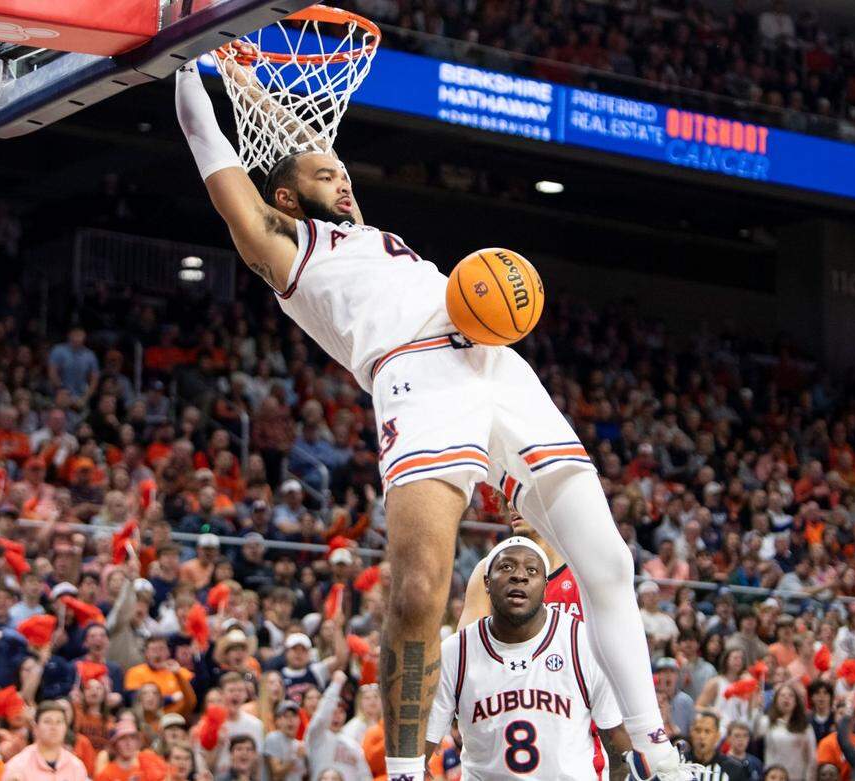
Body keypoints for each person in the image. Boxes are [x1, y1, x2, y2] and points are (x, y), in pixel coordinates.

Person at [176, 61, 681, 781]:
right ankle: (408, 770)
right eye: (327, 176)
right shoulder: (285, 247)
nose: (344, 179)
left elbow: (300, 142)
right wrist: (186, 68)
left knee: (609, 560)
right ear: (285, 195)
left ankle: (659, 755)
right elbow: (214, 150)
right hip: (418, 377)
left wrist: (241, 75)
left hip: (496, 359)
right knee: (419, 591)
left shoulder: (360, 227)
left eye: (343, 169)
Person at [425, 537, 633, 778]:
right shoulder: (455, 651)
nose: (519, 576)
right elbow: (421, 749)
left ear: (545, 585)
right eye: (506, 567)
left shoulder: (582, 641)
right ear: (486, 582)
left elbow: (617, 734)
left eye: (531, 570)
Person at [306, 670, 371, 781]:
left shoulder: (352, 743)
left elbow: (365, 776)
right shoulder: (317, 736)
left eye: (341, 712)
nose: (337, 716)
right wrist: (336, 685)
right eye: (334, 712)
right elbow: (321, 716)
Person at [3, 701, 89, 781]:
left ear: (66, 728)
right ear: (35, 728)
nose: (54, 727)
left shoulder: (76, 766)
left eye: (59, 722)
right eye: (47, 721)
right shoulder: (18, 766)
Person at [686, 710, 751, 781]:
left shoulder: (733, 768)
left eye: (707, 731)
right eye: (698, 730)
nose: (702, 736)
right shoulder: (679, 763)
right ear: (691, 733)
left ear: (717, 736)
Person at [263, 700, 307, 781]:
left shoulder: (300, 745)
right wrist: (295, 757)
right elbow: (276, 775)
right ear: (277, 721)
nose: (290, 720)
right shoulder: (273, 738)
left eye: (294, 716)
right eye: (286, 716)